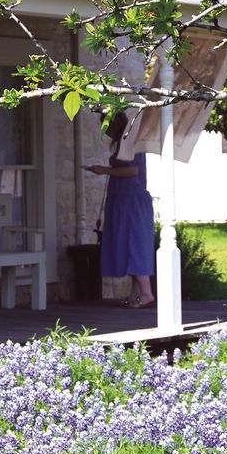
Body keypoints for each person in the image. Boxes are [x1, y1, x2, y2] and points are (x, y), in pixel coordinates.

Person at [84, 112, 156, 308]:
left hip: (131, 201)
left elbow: (133, 171)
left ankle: (147, 293)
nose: (104, 131)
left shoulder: (131, 142)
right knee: (126, 243)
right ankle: (136, 294)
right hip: (122, 200)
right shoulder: (124, 143)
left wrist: (103, 170)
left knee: (135, 244)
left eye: (106, 126)